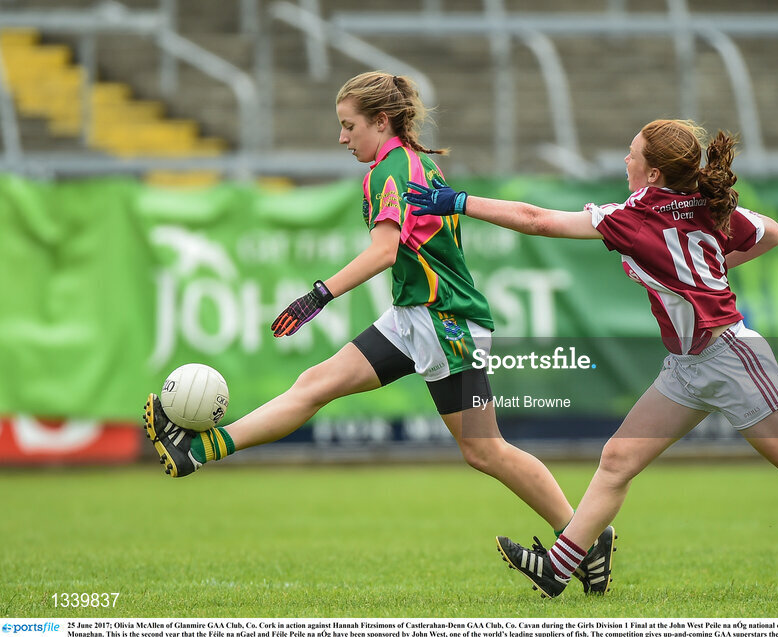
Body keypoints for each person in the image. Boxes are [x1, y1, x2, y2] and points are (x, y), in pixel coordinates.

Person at [402, 118, 778, 598]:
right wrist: (711, 270)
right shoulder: (705, 206)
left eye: (632, 153)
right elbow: (774, 234)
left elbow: (536, 219)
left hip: (729, 356)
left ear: (653, 171)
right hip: (688, 366)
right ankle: (560, 570)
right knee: (616, 462)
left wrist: (457, 201)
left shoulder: (630, 215)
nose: (625, 159)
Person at [141, 71, 615, 595]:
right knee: (315, 384)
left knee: (485, 451)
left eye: (348, 126)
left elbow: (384, 251)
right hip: (415, 315)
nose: (342, 138)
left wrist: (319, 295)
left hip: (444, 321)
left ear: (380, 121)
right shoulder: (412, 162)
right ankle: (197, 453)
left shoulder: (389, 170)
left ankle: (585, 539)